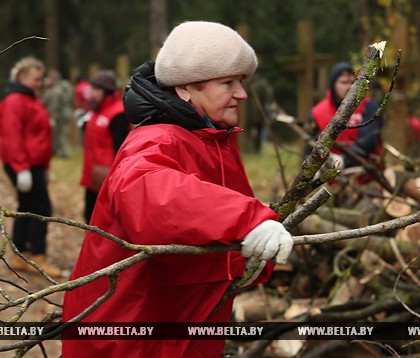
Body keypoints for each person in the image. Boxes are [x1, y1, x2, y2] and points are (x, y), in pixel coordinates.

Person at [62, 21, 294, 357]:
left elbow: (205, 241)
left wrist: (252, 258)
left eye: (241, 82)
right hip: (133, 338)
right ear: (185, 89)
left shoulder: (212, 139)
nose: (242, 93)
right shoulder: (158, 139)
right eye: (228, 82)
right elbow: (152, 195)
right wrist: (248, 220)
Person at [0, 56, 61, 277]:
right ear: (22, 77)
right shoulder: (16, 101)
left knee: (26, 206)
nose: (39, 84)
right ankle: (37, 255)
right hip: (24, 163)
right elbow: (11, 136)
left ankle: (19, 254)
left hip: (34, 164)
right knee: (42, 209)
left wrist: (45, 166)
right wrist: (21, 168)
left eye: (41, 80)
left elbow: (41, 136)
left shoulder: (31, 99)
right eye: (36, 79)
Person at [308, 61, 384, 180]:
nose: (348, 87)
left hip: (367, 177)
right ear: (333, 84)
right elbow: (310, 146)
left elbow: (369, 139)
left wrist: (343, 160)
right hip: (330, 182)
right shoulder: (317, 113)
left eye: (352, 82)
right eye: (343, 82)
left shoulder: (369, 107)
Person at [79, 70, 128, 223]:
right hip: (93, 175)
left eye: (95, 89)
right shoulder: (97, 110)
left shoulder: (118, 114)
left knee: (104, 220)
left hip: (106, 178)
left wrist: (113, 178)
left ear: (105, 91)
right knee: (89, 216)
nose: (91, 94)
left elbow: (119, 148)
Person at [41, 69, 74, 158]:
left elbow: (54, 107)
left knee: (60, 134)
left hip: (59, 116)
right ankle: (60, 151)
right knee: (61, 133)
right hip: (65, 114)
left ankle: (65, 152)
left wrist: (52, 118)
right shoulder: (61, 89)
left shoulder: (56, 91)